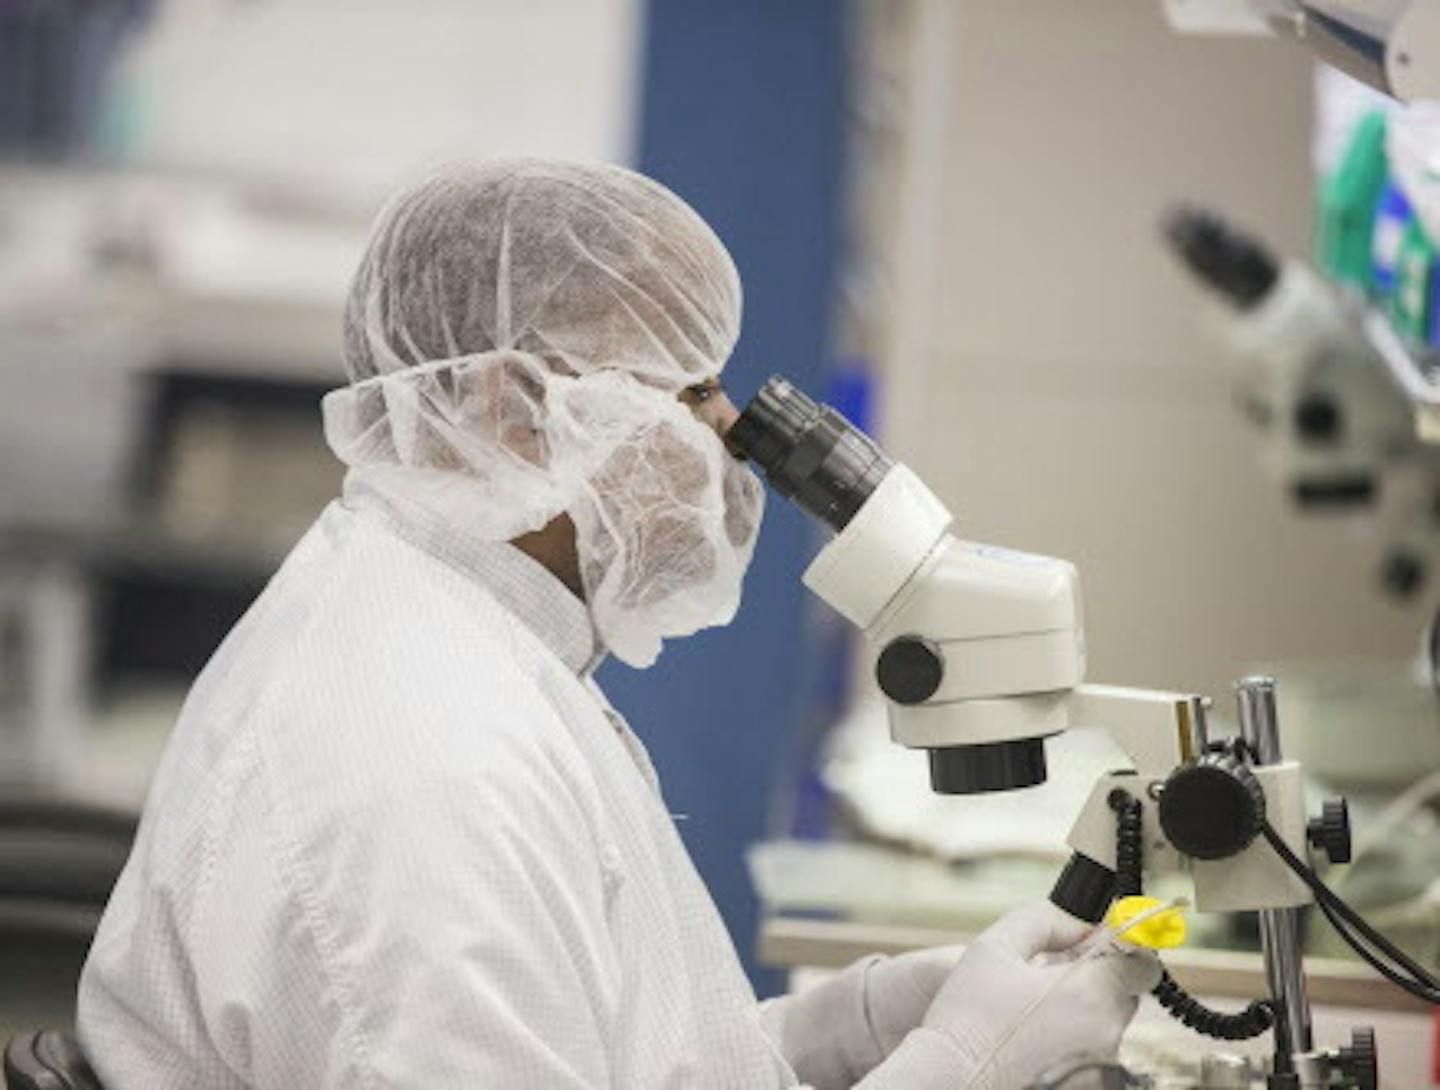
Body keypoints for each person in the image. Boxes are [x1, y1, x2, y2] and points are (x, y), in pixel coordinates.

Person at [77, 159, 1157, 1088]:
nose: (730, 436)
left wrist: (861, 1028)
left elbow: (609, 1051)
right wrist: (968, 1064)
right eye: (688, 393)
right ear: (509, 410)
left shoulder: (463, 629)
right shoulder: (428, 769)